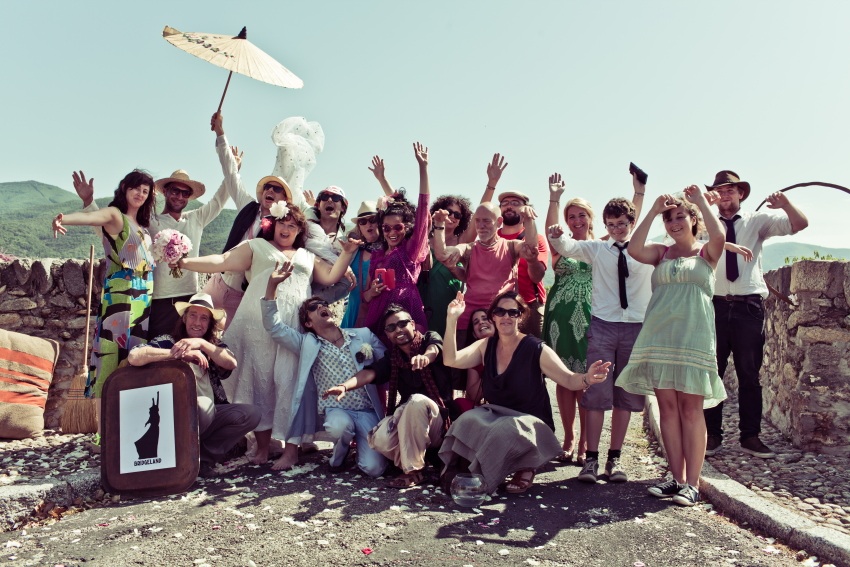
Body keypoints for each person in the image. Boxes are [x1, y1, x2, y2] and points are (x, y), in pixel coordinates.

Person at [175, 204, 358, 470]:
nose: (286, 229)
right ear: (273, 225)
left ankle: (291, 450)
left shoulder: (306, 256)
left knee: (290, 382)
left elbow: (331, 276)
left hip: (293, 326)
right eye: (282, 223)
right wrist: (185, 262)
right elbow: (222, 261)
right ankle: (261, 448)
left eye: (292, 225)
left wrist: (348, 253)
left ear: (299, 230)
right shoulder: (256, 246)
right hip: (256, 324)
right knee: (257, 383)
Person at [616, 187, 727, 506]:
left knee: (691, 410)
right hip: (659, 338)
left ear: (694, 220)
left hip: (694, 339)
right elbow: (633, 247)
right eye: (670, 218)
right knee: (666, 408)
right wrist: (651, 211)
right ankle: (675, 478)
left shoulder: (707, 252)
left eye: (681, 216)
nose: (674, 222)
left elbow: (718, 234)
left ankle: (692, 484)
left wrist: (702, 202)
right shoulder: (660, 253)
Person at [440, 291, 611, 494]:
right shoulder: (486, 345)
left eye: (512, 312)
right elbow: (450, 360)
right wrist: (452, 320)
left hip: (530, 423)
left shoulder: (535, 348)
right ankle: (462, 468)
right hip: (496, 415)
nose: (506, 317)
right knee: (467, 420)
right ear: (493, 315)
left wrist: (587, 379)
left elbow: (567, 379)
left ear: (520, 316)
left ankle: (525, 467)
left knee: (505, 429)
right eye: (500, 311)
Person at [548, 182, 654, 486]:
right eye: (611, 225)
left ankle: (615, 458)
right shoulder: (597, 250)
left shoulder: (646, 253)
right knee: (595, 392)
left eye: (622, 224)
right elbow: (566, 247)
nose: (617, 229)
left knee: (627, 394)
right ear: (604, 225)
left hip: (636, 327)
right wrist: (556, 232)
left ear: (632, 223)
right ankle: (591, 460)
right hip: (603, 326)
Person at [704, 170, 808, 459]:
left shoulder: (757, 221)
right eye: (719, 190)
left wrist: (786, 203)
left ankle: (750, 437)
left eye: (730, 190)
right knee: (712, 373)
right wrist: (702, 204)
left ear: (740, 193)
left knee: (749, 374)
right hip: (713, 304)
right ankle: (712, 436)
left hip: (748, 305)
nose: (724, 195)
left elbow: (799, 224)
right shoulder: (702, 223)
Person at [204, 112, 341, 327]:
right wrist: (221, 134)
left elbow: (318, 240)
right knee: (194, 325)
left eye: (277, 189)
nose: (270, 190)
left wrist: (342, 260)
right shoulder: (248, 207)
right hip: (219, 280)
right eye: (267, 186)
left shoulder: (286, 228)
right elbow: (231, 175)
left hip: (245, 292)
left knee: (230, 346)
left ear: (285, 198)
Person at [75, 163, 233, 338]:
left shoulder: (196, 218)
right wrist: (88, 201)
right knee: (156, 350)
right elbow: (110, 232)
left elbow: (220, 199)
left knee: (184, 353)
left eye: (185, 193)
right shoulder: (149, 221)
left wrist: (231, 167)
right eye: (175, 190)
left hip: (189, 298)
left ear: (189, 197)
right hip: (158, 300)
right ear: (165, 192)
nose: (179, 196)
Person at [261, 268, 388, 477]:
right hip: (336, 411)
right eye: (314, 307)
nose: (322, 306)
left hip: (367, 411)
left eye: (324, 304)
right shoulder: (307, 343)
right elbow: (274, 327)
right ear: (308, 323)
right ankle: (338, 459)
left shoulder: (363, 335)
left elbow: (385, 364)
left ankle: (355, 452)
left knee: (373, 469)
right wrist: (272, 286)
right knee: (340, 427)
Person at [53, 170, 156, 411]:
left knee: (134, 359)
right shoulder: (115, 215)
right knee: (109, 357)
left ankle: (126, 425)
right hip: (121, 294)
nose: (140, 194)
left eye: (145, 191)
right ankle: (102, 432)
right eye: (136, 188)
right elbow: (93, 218)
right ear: (124, 188)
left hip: (143, 299)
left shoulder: (142, 225)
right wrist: (63, 218)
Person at [127, 293, 261, 477]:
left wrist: (201, 344)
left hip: (210, 415)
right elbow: (134, 357)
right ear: (184, 318)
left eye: (204, 318)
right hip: (172, 418)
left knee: (252, 414)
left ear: (209, 323)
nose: (197, 322)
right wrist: (178, 354)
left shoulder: (213, 345)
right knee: (203, 405)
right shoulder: (168, 341)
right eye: (193, 315)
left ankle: (202, 461)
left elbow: (231, 363)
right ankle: (179, 456)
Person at [323, 304, 454, 489]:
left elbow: (435, 349)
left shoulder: (429, 339)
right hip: (410, 421)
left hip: (440, 422)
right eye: (391, 328)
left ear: (413, 324)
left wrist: (425, 357)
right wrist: (345, 386)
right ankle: (415, 461)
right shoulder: (393, 358)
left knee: (415, 401)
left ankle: (413, 471)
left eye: (402, 324)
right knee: (379, 438)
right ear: (388, 334)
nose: (398, 330)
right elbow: (369, 373)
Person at [432, 202, 539, 343]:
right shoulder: (468, 248)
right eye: (478, 221)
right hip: (470, 320)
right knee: (463, 363)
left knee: (502, 363)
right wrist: (439, 225)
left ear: (499, 222)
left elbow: (531, 249)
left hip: (501, 317)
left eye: (487, 221)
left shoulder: (511, 246)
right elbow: (442, 255)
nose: (481, 226)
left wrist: (529, 220)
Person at [362, 144, 432, 337]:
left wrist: (423, 168)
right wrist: (372, 292)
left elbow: (423, 209)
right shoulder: (377, 255)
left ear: (407, 227)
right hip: (378, 315)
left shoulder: (410, 250)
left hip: (407, 309)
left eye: (398, 227)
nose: (392, 232)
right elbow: (366, 296)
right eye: (386, 228)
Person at [478, 154, 549, 337]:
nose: (509, 206)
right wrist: (491, 183)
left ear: (527, 208)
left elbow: (537, 276)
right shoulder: (491, 239)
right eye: (505, 203)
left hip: (531, 307)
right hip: (500, 309)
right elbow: (480, 214)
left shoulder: (537, 238)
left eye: (516, 203)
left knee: (534, 358)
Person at [421, 195, 473, 337]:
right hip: (423, 296)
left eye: (458, 214)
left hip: (450, 297)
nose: (452, 216)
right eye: (448, 211)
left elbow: (481, 213)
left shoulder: (463, 240)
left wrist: (491, 184)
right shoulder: (424, 239)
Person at [341, 201, 380, 328]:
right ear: (359, 227)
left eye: (373, 219)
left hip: (379, 309)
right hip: (355, 309)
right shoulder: (354, 249)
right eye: (363, 222)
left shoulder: (389, 250)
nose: (368, 224)